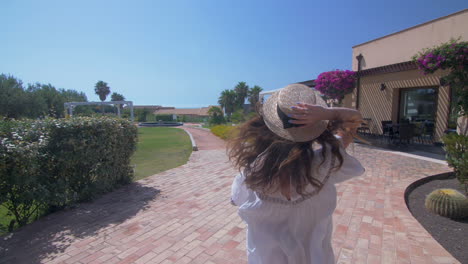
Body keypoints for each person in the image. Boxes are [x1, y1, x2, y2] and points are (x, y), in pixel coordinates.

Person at [229, 83, 365, 264]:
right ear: (315, 130)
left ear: (268, 127)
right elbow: (354, 119)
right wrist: (326, 114)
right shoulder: (324, 164)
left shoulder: (252, 174)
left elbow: (235, 200)